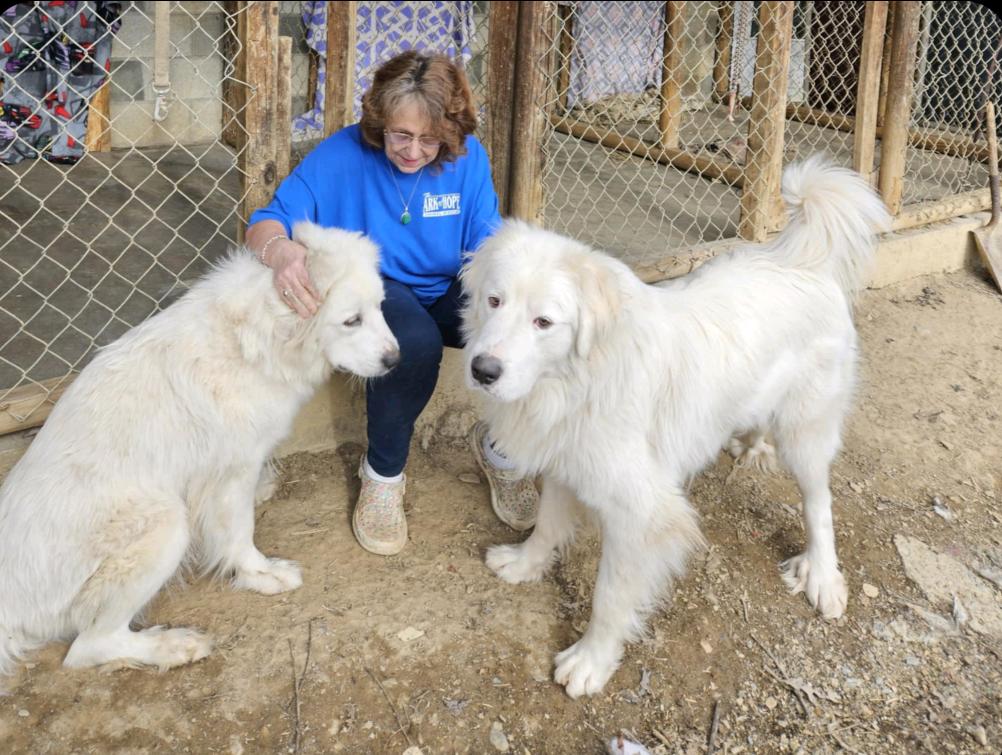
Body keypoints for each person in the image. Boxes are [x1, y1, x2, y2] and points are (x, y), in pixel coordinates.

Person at [245, 50, 538, 556]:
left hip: (454, 281)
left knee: (531, 332)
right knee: (415, 343)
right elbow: (266, 222)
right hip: (382, 287)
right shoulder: (342, 155)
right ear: (379, 120)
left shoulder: (468, 159)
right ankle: (383, 477)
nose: (413, 151)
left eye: (429, 140)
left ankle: (502, 451)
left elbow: (487, 248)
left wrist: (510, 306)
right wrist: (282, 253)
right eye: (401, 135)